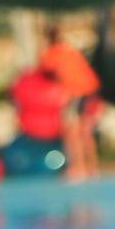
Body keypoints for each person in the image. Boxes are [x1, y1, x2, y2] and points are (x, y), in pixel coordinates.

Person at [38, 24, 102, 183]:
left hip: (75, 93)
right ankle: (92, 168)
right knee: (85, 132)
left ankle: (77, 168)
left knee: (72, 132)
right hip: (90, 91)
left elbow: (44, 73)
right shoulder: (71, 51)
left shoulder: (51, 53)